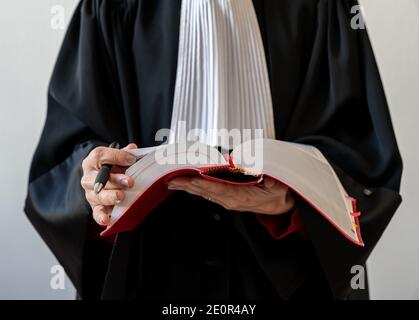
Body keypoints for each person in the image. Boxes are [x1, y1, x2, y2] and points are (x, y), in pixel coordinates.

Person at [25, 0, 402, 300]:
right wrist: (95, 183)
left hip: (284, 278)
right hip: (148, 272)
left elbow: (362, 152)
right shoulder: (111, 6)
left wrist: (293, 203)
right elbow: (69, 157)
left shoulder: (321, 6)